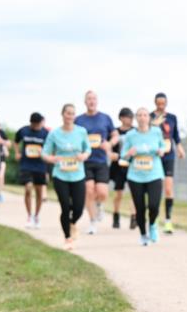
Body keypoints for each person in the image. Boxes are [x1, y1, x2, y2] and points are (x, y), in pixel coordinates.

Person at [42, 104, 91, 251]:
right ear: (62, 115)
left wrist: (83, 155)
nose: (70, 116)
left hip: (78, 175)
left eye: (72, 114)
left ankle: (72, 222)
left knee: (78, 208)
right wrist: (52, 159)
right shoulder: (54, 134)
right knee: (65, 206)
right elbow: (45, 153)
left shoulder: (81, 132)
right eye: (67, 113)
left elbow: (88, 149)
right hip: (60, 175)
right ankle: (68, 238)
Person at [121, 108, 167, 246]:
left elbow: (163, 147)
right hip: (135, 176)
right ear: (136, 118)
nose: (142, 118)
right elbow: (123, 155)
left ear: (149, 118)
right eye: (139, 115)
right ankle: (143, 234)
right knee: (139, 207)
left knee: (154, 205)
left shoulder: (156, 132)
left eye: (145, 115)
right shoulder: (130, 135)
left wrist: (161, 151)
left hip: (154, 174)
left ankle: (152, 225)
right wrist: (129, 153)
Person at [75, 90, 118, 235]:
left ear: (97, 101)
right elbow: (72, 135)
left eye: (93, 99)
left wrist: (110, 144)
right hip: (85, 161)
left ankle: (99, 205)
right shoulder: (79, 120)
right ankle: (93, 222)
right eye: (89, 99)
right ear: (85, 102)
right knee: (89, 191)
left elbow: (115, 135)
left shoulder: (105, 118)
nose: (91, 101)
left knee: (102, 193)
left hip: (100, 161)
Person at [151, 92, 186, 234]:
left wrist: (180, 148)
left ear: (166, 103)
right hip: (153, 156)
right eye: (158, 103)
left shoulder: (172, 118)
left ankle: (168, 220)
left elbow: (175, 136)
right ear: (155, 103)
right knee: (154, 189)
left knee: (168, 188)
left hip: (168, 156)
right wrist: (154, 123)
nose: (160, 106)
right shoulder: (149, 117)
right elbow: (145, 132)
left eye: (163, 103)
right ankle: (153, 219)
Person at [15, 112, 50, 229]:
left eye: (39, 124)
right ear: (31, 123)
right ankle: (29, 216)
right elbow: (16, 141)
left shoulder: (45, 133)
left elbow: (51, 147)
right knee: (28, 188)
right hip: (26, 165)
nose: (37, 126)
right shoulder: (24, 131)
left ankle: (36, 216)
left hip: (40, 166)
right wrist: (17, 152)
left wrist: (45, 154)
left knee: (39, 192)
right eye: (35, 124)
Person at [108, 107, 137, 230]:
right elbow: (109, 146)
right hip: (118, 166)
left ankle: (133, 217)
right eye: (127, 117)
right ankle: (116, 215)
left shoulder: (136, 131)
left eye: (131, 117)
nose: (130, 120)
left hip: (132, 166)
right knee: (118, 193)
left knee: (134, 193)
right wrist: (111, 155)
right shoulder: (115, 132)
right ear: (121, 118)